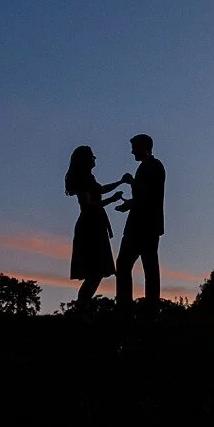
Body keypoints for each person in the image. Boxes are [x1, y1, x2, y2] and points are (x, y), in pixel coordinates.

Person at [64, 145, 124, 314]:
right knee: (94, 273)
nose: (94, 159)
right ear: (85, 160)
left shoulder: (87, 178)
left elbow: (100, 190)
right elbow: (88, 204)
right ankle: (80, 311)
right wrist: (111, 199)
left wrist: (119, 182)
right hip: (90, 228)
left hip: (95, 226)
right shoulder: (83, 180)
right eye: (92, 156)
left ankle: (81, 310)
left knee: (96, 273)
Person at [113, 133, 166, 316]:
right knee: (148, 267)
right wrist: (133, 184)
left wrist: (129, 204)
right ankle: (149, 310)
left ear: (143, 148)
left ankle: (126, 309)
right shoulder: (151, 167)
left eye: (134, 148)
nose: (132, 151)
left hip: (141, 226)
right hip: (148, 225)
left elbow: (146, 197)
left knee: (127, 265)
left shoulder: (150, 167)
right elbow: (145, 193)